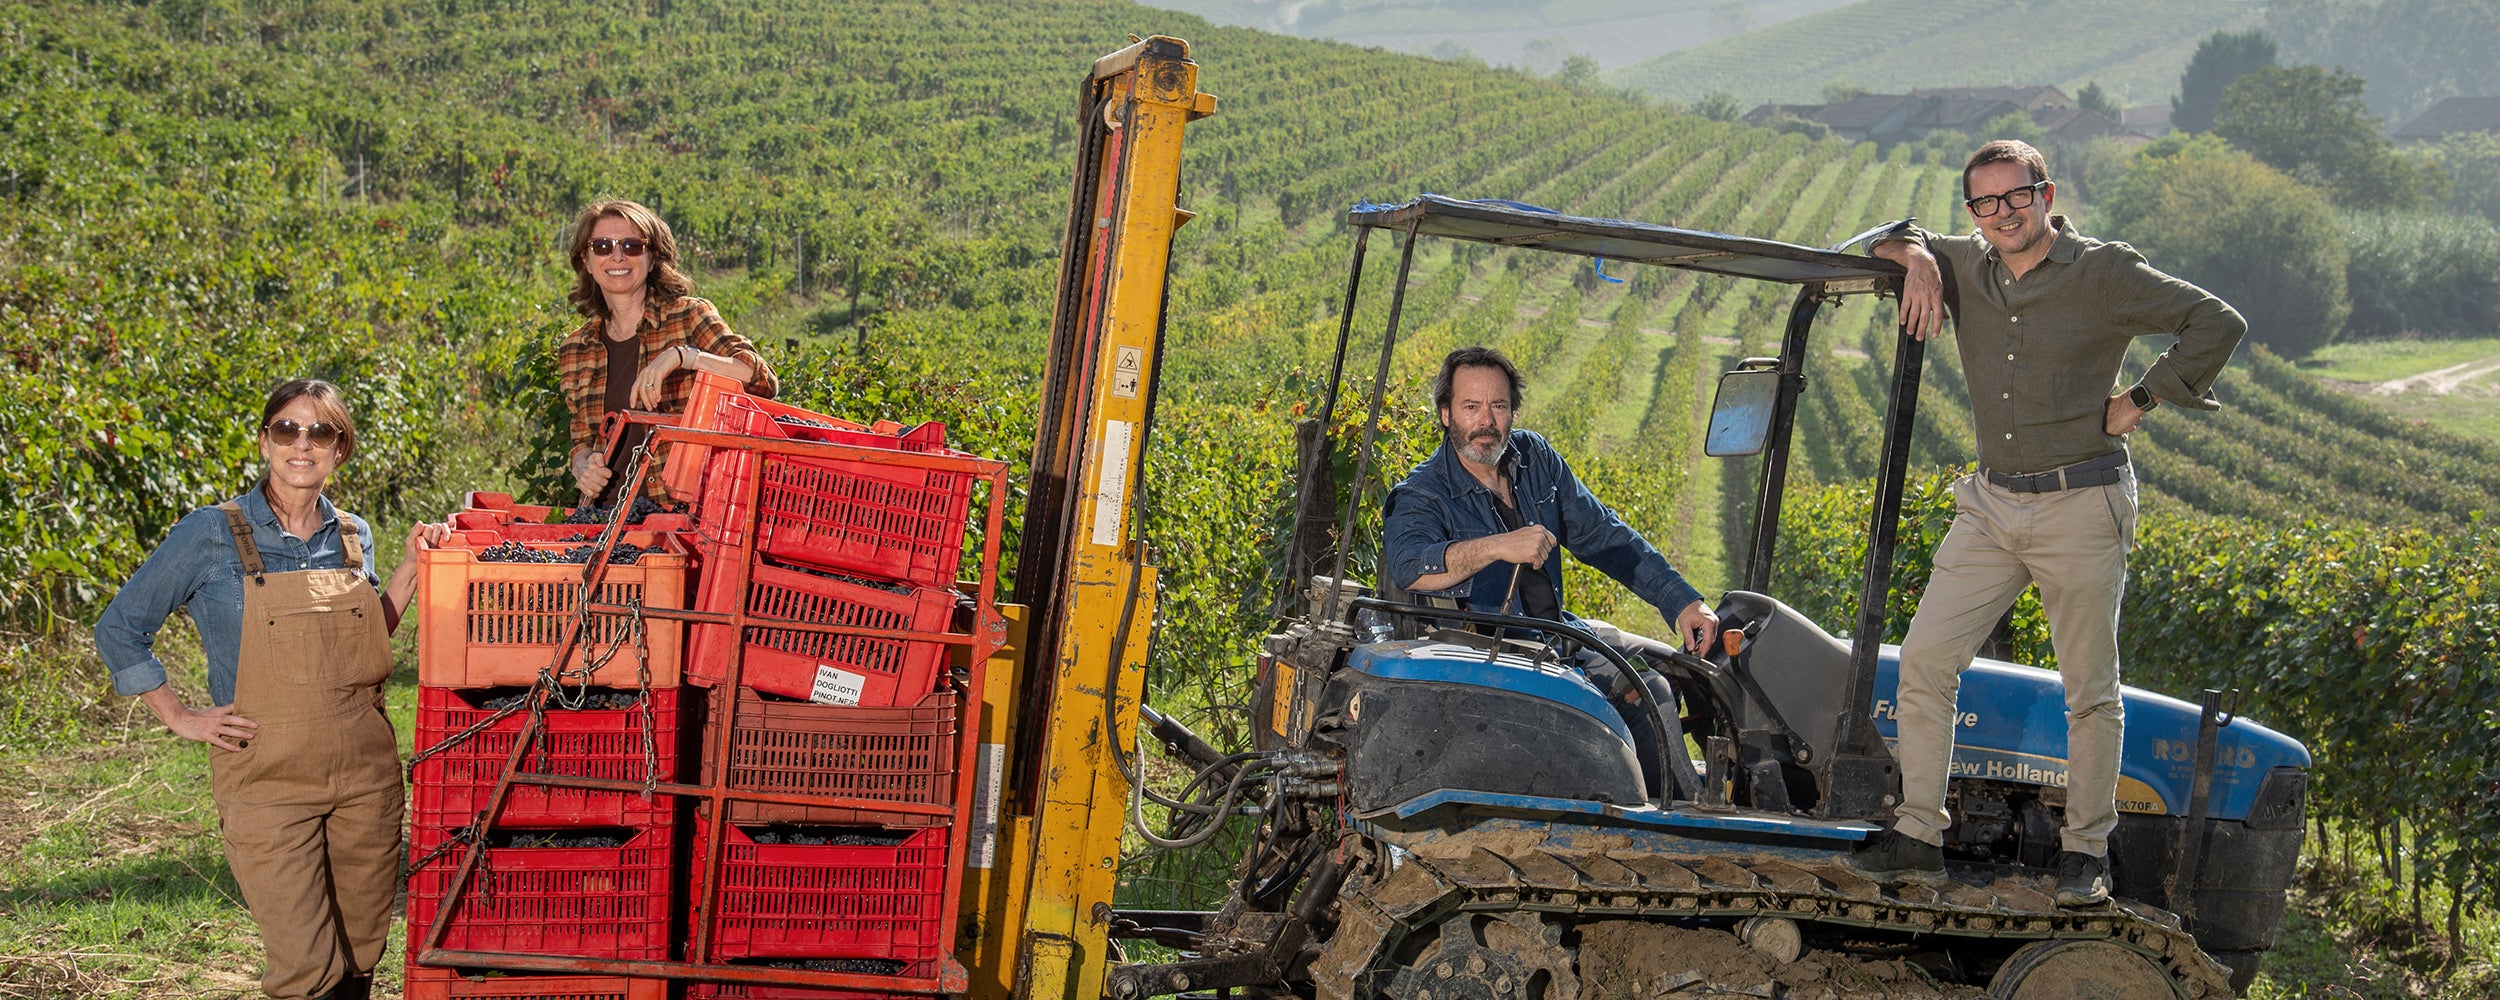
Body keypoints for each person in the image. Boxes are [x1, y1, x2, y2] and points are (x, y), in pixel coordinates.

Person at [1846, 140, 2245, 906]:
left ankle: (2086, 853)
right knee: (1925, 659)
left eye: (2016, 196)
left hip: (2080, 501)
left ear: (2046, 194)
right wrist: (1918, 258)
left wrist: (2140, 399)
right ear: (1972, 211)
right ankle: (1919, 837)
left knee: (2088, 690)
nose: (2002, 213)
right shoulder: (1965, 262)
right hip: (1992, 505)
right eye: (1984, 202)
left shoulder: (2104, 272)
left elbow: (2215, 321)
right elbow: (1872, 239)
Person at [93, 379, 450, 1000]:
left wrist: (410, 569)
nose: (301, 444)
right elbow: (120, 627)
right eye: (287, 429)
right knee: (305, 963)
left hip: (363, 771)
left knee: (361, 949)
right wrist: (180, 715)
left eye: (320, 432)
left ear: (340, 449)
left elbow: (363, 637)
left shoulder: (353, 535)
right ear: (265, 442)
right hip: (265, 776)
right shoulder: (210, 533)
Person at [1381, 346, 1720, 799]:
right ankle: (1677, 817)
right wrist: (1499, 546)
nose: (1486, 421)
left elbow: (1603, 534)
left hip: (1558, 631)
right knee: (1650, 691)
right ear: (1446, 414)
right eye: (1471, 407)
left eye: (1499, 406)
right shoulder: (1423, 493)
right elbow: (1410, 565)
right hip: (1504, 653)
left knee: (1683, 667)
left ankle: (1714, 784)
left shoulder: (1534, 458)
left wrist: (1681, 600)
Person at [556, 198, 778, 506]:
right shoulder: (576, 348)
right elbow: (582, 437)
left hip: (678, 516)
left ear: (652, 258)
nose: (617, 256)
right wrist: (582, 466)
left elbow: (759, 378)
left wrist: (682, 356)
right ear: (586, 260)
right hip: (605, 520)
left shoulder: (689, 317)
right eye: (603, 247)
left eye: (632, 246)